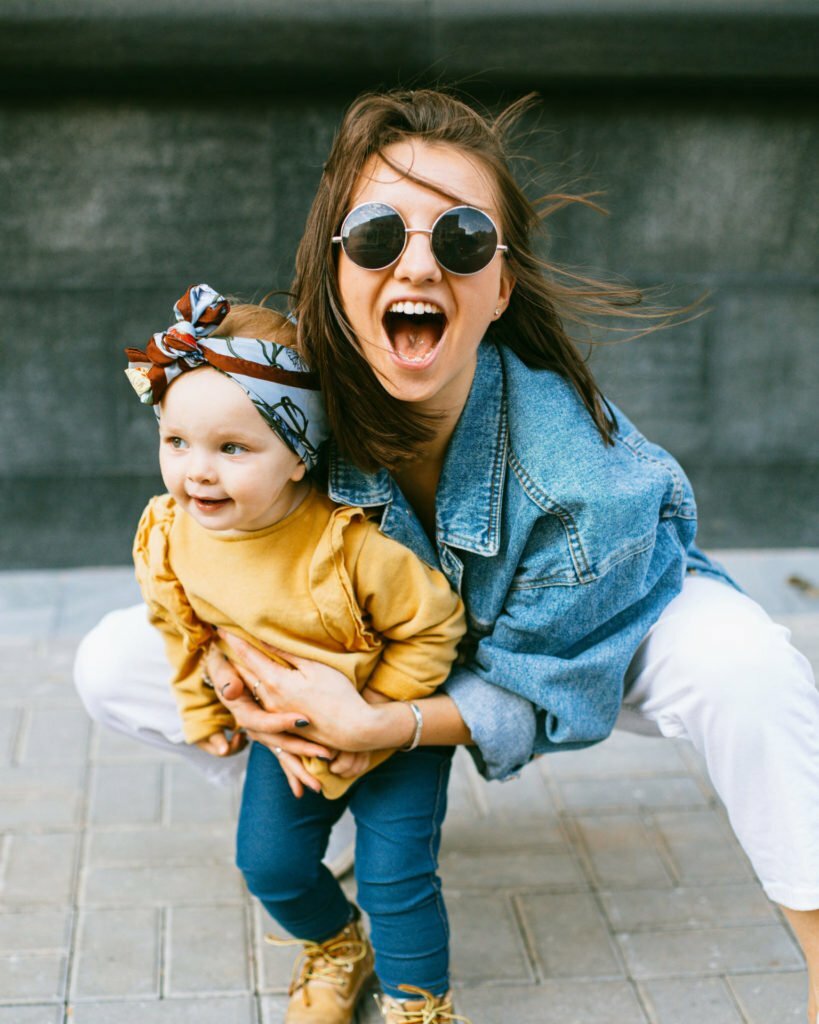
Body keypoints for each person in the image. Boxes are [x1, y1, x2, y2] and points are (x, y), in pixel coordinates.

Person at [74, 89, 819, 1024]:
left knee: (748, 668)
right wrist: (238, 675)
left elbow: (541, 685)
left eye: (461, 239)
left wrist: (380, 728)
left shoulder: (583, 484)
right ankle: (313, 815)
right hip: (367, 643)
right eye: (378, 235)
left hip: (584, 635)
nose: (416, 260)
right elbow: (204, 539)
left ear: (500, 285)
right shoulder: (281, 403)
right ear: (334, 270)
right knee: (111, 660)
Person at [120, 282, 468, 1023]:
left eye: (232, 448)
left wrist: (374, 718)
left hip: (390, 724)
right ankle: (338, 946)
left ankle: (418, 1003)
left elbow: (433, 624)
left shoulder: (346, 545)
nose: (197, 471)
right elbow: (177, 617)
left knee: (394, 878)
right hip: (293, 734)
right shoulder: (169, 531)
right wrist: (197, 700)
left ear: (298, 456)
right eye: (175, 442)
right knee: (269, 864)